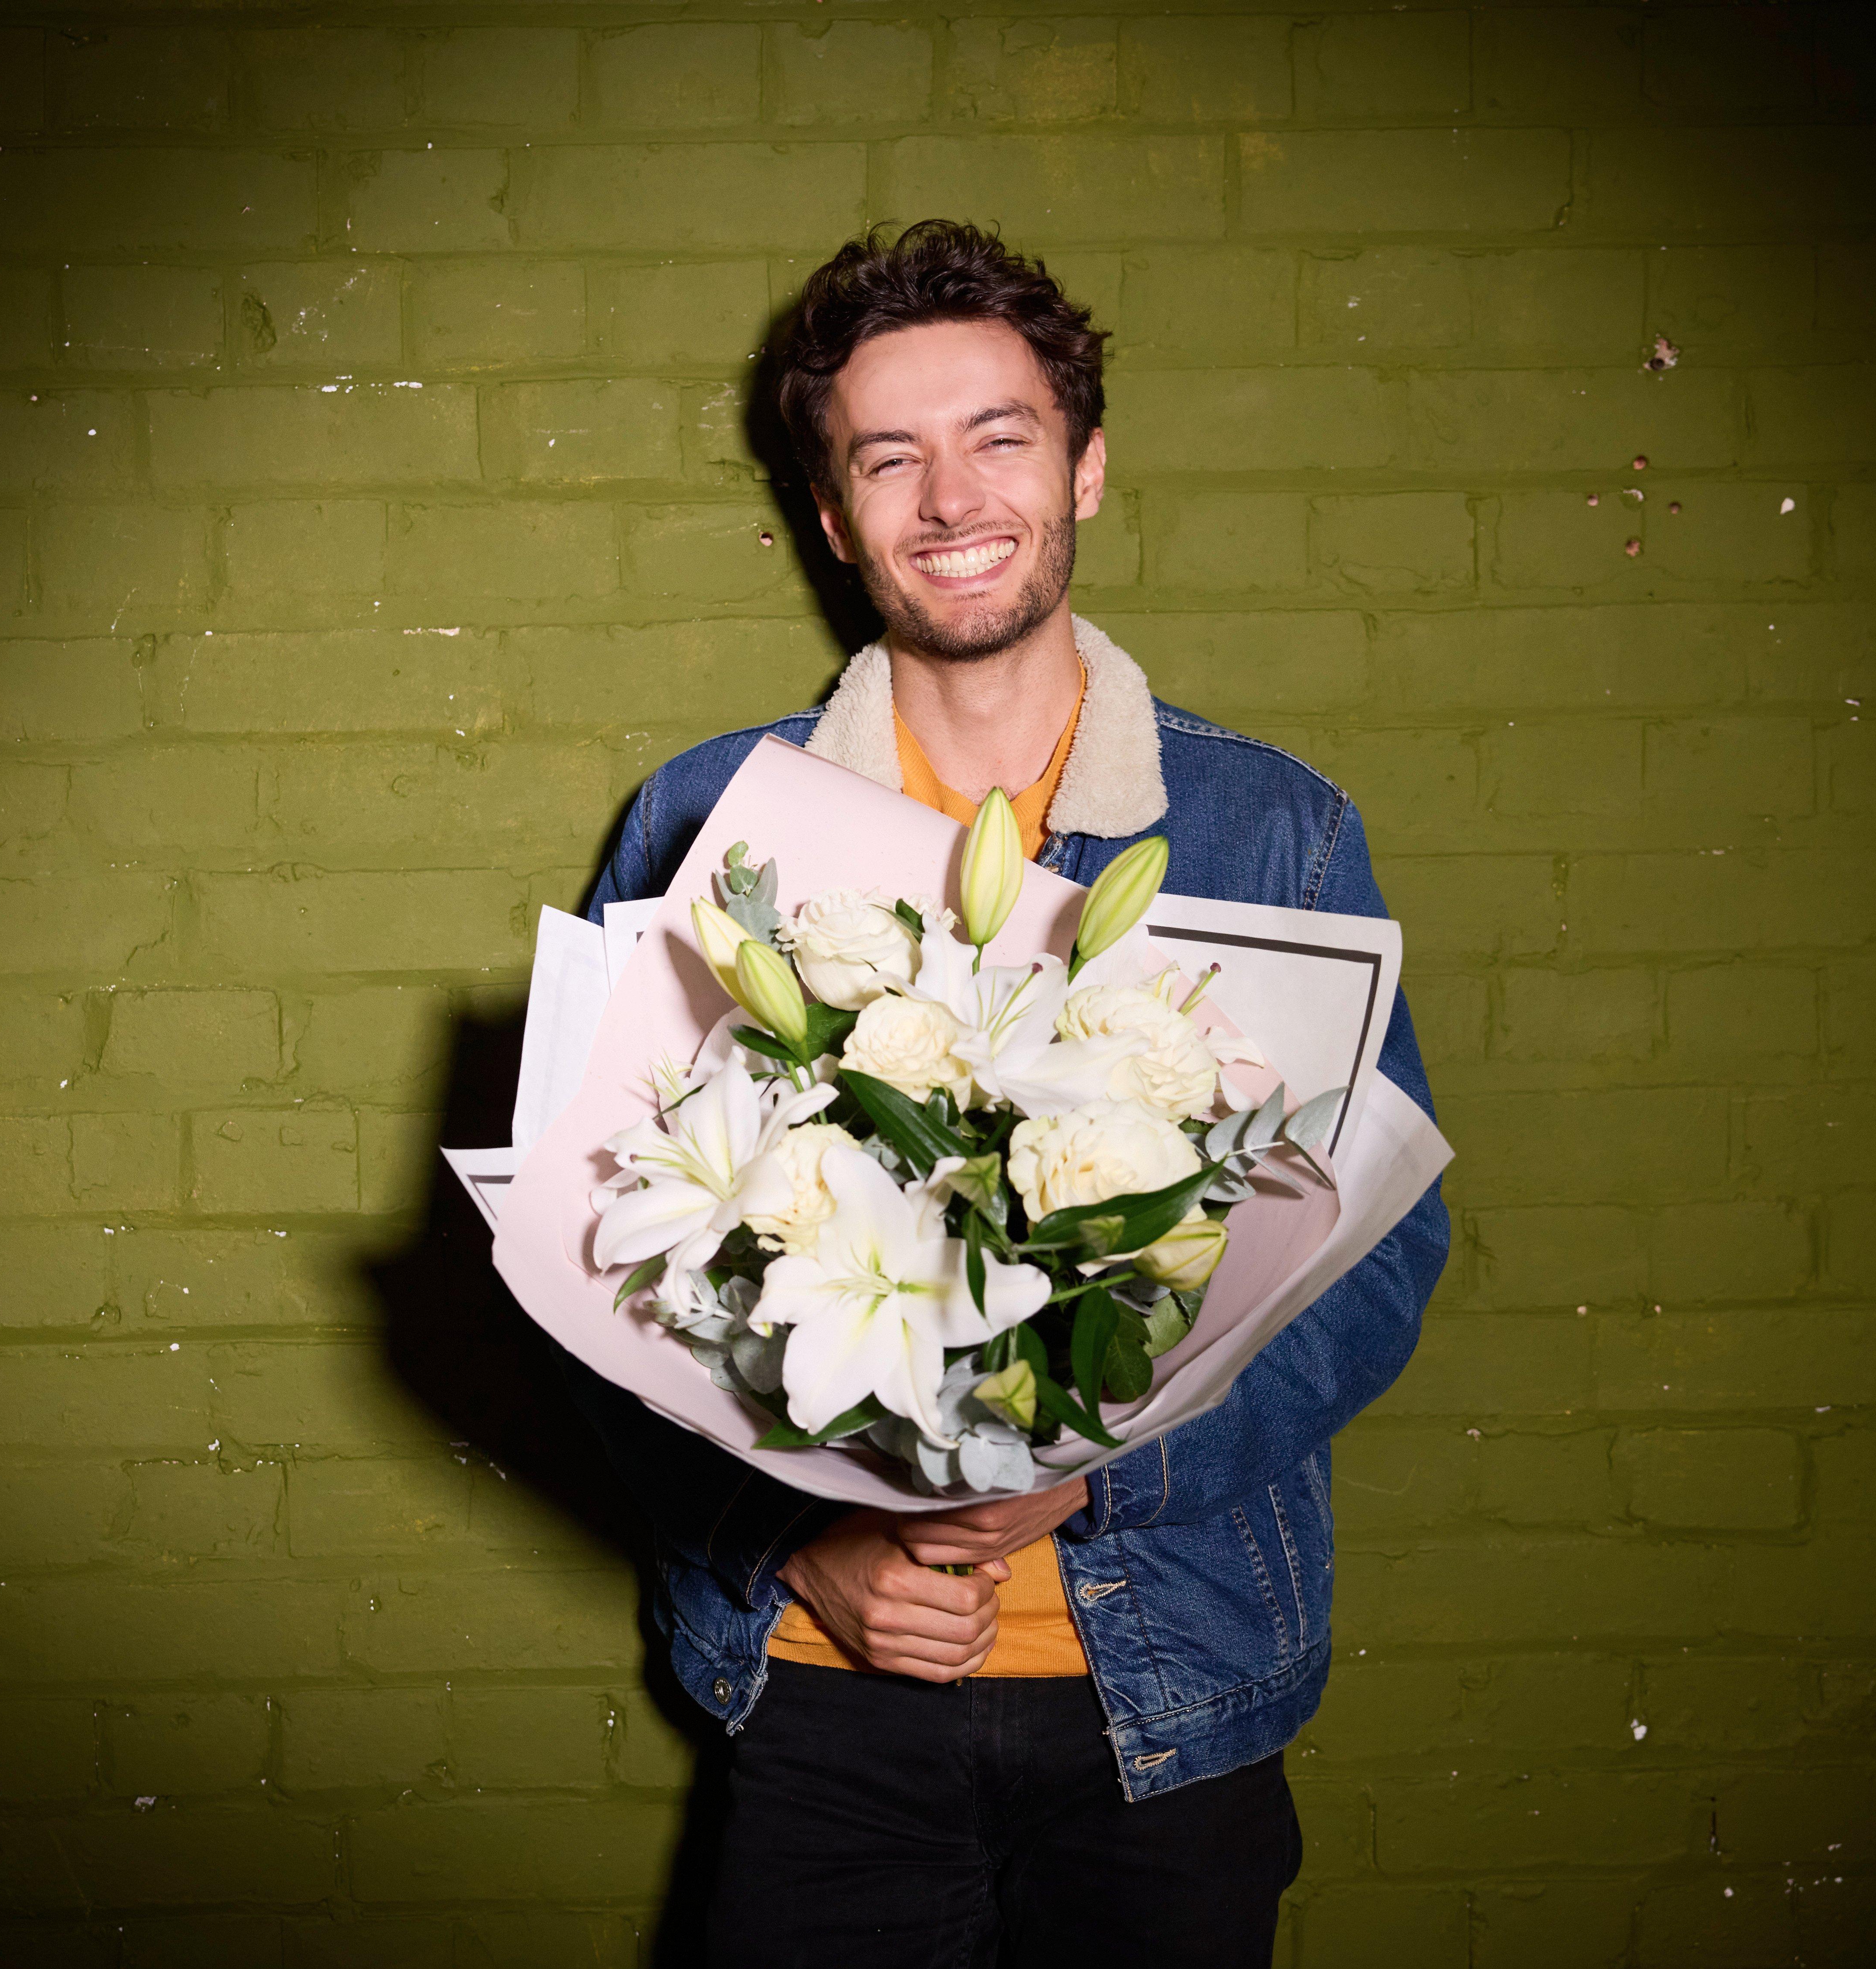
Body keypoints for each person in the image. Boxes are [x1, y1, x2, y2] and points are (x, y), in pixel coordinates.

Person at [566, 220, 1449, 1967]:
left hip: (1171, 1692)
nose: (951, 497)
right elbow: (591, 1263)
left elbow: (1378, 1266)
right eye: (888, 457)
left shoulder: (1273, 830)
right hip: (823, 1698)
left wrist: (1096, 1482)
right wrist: (797, 1547)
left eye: (999, 437)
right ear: (834, 519)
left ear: (1085, 468)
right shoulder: (703, 826)